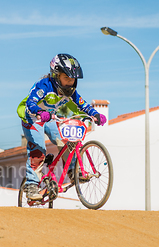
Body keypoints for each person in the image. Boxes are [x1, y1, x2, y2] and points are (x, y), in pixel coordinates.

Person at [17, 53, 107, 200]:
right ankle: (32, 185)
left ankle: (73, 171)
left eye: (72, 79)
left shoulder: (71, 92)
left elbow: (83, 105)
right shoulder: (44, 86)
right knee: (38, 148)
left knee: (67, 141)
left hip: (50, 118)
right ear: (55, 75)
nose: (70, 83)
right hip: (32, 118)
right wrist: (39, 112)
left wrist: (95, 114)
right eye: (66, 79)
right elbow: (30, 103)